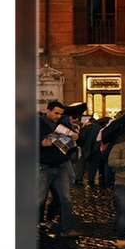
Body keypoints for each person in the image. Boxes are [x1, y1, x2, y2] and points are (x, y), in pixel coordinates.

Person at [38, 100, 81, 238]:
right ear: (48, 111)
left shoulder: (62, 124)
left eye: (60, 113)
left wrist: (75, 136)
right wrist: (40, 143)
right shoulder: (37, 124)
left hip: (61, 166)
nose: (58, 116)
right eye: (56, 113)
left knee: (65, 200)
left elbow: (76, 138)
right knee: (38, 199)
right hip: (43, 166)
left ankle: (66, 229)